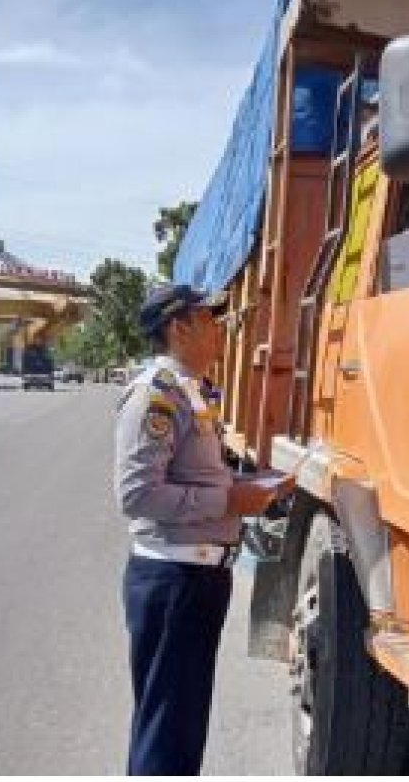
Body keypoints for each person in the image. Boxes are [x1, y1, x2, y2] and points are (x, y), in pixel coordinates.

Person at [114, 283, 293, 775]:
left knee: (173, 728)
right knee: (169, 735)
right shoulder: (156, 394)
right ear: (179, 327)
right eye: (209, 319)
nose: (221, 330)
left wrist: (247, 483)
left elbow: (195, 475)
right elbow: (137, 495)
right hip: (175, 584)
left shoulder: (190, 390)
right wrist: (231, 499)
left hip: (196, 580)